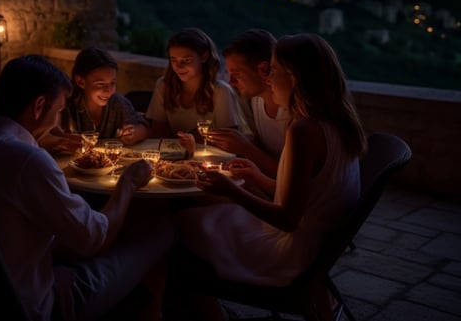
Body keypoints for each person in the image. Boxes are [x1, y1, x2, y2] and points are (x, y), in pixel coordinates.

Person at [0, 55, 174, 321]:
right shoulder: (27, 160)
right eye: (58, 111)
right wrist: (127, 182)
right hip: (31, 305)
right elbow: (95, 239)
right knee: (161, 229)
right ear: (38, 106)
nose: (58, 123)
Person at [170, 33, 366, 321]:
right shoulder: (337, 121)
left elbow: (287, 218)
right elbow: (304, 193)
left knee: (178, 228)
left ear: (295, 77)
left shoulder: (303, 130)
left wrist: (231, 190)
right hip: (321, 244)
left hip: (293, 253)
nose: (268, 77)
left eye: (273, 70)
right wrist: (256, 176)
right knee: (203, 217)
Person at [205, 29, 287, 179]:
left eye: (236, 74)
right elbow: (261, 149)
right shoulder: (254, 100)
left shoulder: (295, 113)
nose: (231, 82)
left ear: (263, 69)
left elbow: (295, 179)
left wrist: (245, 148)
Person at [145, 27, 240, 155]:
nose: (179, 66)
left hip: (210, 158)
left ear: (204, 57)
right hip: (172, 156)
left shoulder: (220, 92)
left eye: (187, 60)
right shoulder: (164, 86)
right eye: (174, 60)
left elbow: (231, 141)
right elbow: (157, 131)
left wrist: (196, 139)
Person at [41, 46, 149, 153]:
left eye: (112, 83)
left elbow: (144, 127)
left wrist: (133, 133)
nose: (108, 90)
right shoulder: (64, 104)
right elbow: (39, 136)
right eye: (100, 84)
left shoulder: (117, 103)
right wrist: (62, 141)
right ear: (80, 82)